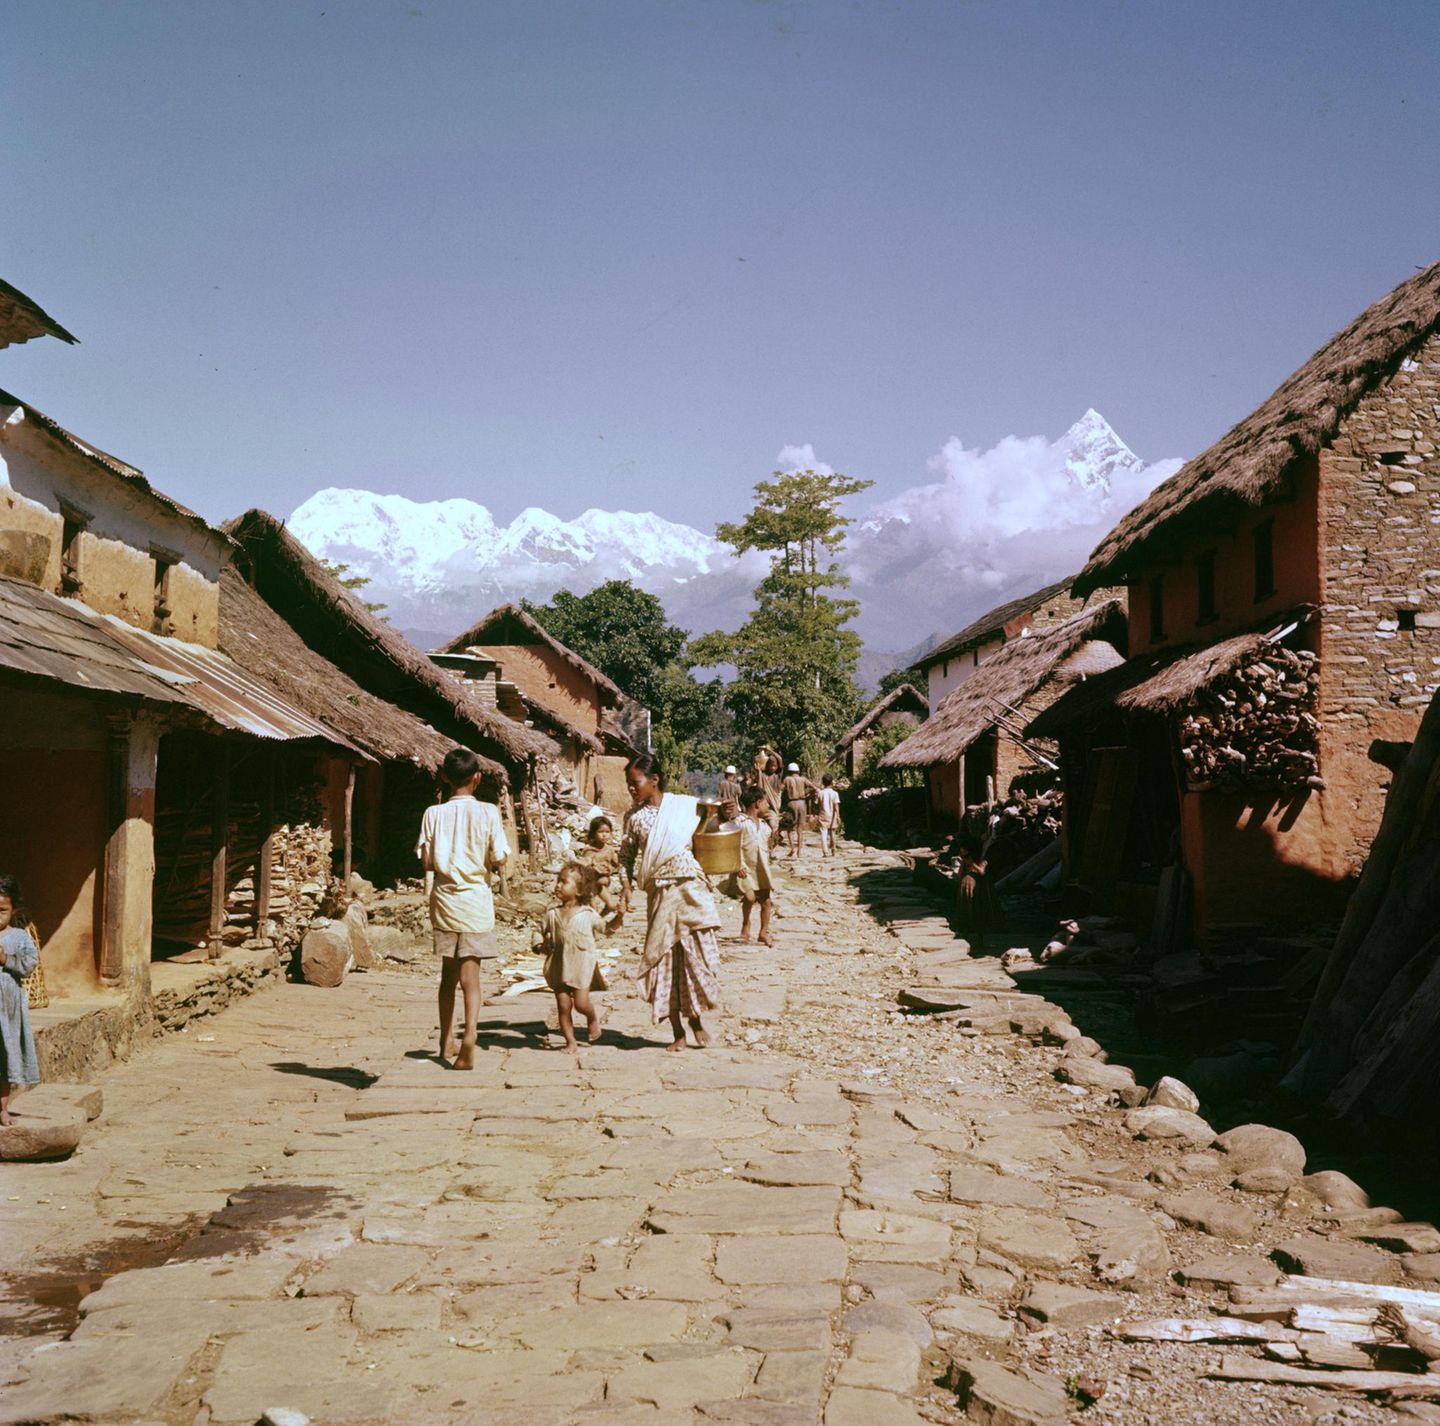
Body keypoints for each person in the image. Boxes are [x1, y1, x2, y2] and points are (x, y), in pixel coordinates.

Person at [616, 752, 722, 1051]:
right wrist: (625, 887)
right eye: (628, 784)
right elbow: (625, 857)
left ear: (654, 780)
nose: (631, 789)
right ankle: (677, 1030)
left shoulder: (684, 807)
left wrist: (726, 813)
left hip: (691, 887)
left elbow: (712, 829)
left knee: (696, 955)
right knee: (665, 959)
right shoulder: (633, 819)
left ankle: (696, 1018)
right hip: (661, 892)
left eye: (635, 783)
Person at [415, 747, 510, 1070]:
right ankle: (469, 1035)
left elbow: (427, 861)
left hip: (444, 901)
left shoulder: (433, 813)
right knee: (472, 977)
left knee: (448, 976)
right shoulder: (488, 812)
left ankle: (445, 1041)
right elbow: (499, 858)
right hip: (475, 903)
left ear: (444, 777)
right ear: (478, 778)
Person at [536, 862, 609, 1051]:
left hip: (581, 965)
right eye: (557, 881)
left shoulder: (588, 914)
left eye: (563, 882)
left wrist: (619, 916)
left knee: (581, 1004)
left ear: (578, 891)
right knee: (563, 1005)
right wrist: (538, 944)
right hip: (559, 965)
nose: (558, 885)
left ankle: (592, 1018)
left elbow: (606, 929)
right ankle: (570, 1041)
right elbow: (538, 930)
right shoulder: (552, 914)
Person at [0, 874, 40, 1126]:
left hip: (7, 1009)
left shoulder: (19, 937)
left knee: (2, 1059)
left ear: (13, 910)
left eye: (2, 910)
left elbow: (29, 964)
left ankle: (2, 1109)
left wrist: (6, 960)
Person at [734, 787, 774, 945]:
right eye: (766, 803)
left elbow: (767, 845)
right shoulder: (740, 823)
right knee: (750, 898)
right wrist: (738, 864)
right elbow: (734, 845)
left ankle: (763, 932)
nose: (768, 806)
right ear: (757, 803)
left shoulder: (765, 826)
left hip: (762, 867)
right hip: (745, 868)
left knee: (766, 900)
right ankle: (746, 923)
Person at [952, 835, 1003, 949]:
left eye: (963, 849)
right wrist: (963, 863)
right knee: (965, 910)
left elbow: (982, 872)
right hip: (965, 887)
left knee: (978, 911)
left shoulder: (982, 860)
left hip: (977, 889)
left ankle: (980, 939)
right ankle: (965, 935)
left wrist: (972, 863)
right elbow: (960, 875)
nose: (961, 851)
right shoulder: (964, 861)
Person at [579, 816, 626, 918]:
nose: (604, 835)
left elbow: (617, 864)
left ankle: (598, 920)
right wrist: (594, 867)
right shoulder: (589, 850)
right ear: (593, 833)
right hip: (590, 885)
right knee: (593, 909)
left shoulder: (610, 850)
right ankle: (594, 925)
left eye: (607, 832)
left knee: (611, 905)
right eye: (601, 832)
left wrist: (612, 868)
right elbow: (584, 867)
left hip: (601, 886)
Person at [780, 762, 814, 858]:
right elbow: (813, 787)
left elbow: (780, 789)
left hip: (791, 803)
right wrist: (807, 793)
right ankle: (799, 851)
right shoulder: (803, 779)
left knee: (790, 827)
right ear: (798, 771)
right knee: (800, 829)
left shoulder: (787, 779)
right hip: (802, 803)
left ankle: (793, 849)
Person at [816, 774, 842, 858]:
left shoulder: (820, 793)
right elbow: (836, 806)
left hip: (823, 815)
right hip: (832, 815)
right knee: (832, 833)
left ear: (823, 782)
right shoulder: (835, 793)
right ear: (831, 782)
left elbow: (816, 803)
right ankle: (833, 850)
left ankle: (825, 852)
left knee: (823, 834)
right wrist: (838, 816)